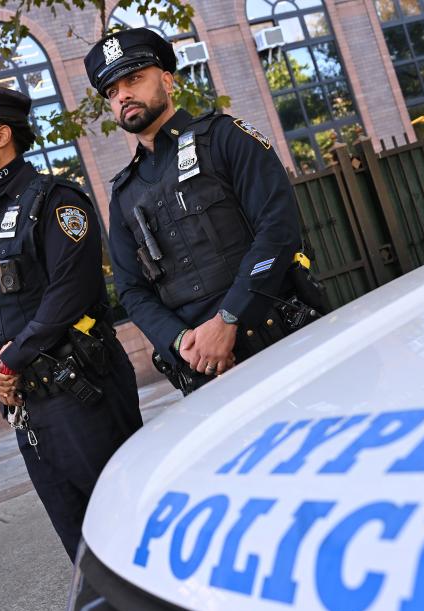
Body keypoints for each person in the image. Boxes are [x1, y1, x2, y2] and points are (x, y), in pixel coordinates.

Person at [0, 86, 142, 559]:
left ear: (2, 136)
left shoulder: (56, 201)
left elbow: (67, 296)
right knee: (78, 542)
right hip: (30, 407)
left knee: (124, 525)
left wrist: (9, 362)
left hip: (82, 394)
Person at [84, 28, 327, 395]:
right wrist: (181, 342)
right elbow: (131, 291)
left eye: (134, 78)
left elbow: (278, 231)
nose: (124, 96)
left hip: (277, 338)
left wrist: (229, 318)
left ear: (167, 81)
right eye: (112, 91)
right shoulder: (124, 194)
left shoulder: (225, 137)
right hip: (202, 370)